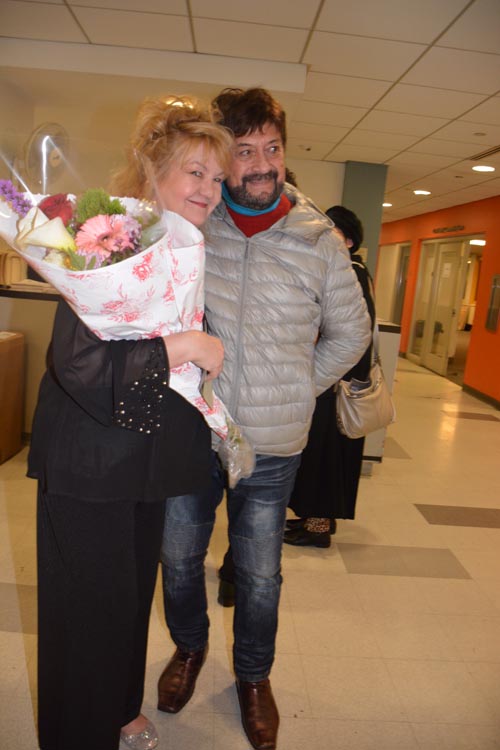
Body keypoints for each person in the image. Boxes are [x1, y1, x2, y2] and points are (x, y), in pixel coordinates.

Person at [157, 87, 371, 750]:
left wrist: (295, 387)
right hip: (198, 429)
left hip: (274, 443)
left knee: (257, 571)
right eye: (243, 151)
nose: (259, 165)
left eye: (270, 149)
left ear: (285, 150)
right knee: (179, 554)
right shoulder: (200, 224)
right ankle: (189, 649)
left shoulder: (317, 241)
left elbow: (352, 332)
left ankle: (253, 678)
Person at [29, 95, 233, 750]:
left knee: (125, 600)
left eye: (216, 178)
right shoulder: (110, 240)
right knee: (85, 616)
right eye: (195, 172)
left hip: (143, 458)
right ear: (153, 172)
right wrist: (189, 348)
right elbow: (82, 363)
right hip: (91, 463)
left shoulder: (180, 249)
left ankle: (117, 707)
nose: (209, 189)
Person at [284, 205, 377, 548]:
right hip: (339, 379)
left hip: (338, 381)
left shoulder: (350, 273)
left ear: (349, 240)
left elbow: (347, 332)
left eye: (333, 232)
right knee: (323, 454)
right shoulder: (352, 271)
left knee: (325, 456)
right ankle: (314, 519)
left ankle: (318, 527)